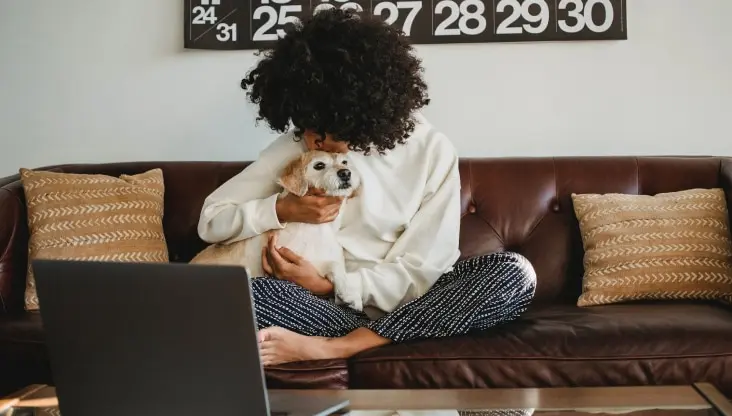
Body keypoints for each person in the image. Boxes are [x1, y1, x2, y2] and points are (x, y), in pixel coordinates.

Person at [197, 8, 536, 366]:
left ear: (360, 115)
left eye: (324, 127)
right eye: (306, 123)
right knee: (244, 297)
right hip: (318, 312)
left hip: (403, 307)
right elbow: (211, 217)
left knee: (514, 273)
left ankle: (339, 347)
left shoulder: (431, 151)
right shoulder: (302, 142)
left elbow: (424, 268)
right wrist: (280, 210)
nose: (312, 137)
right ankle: (376, 341)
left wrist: (331, 286)